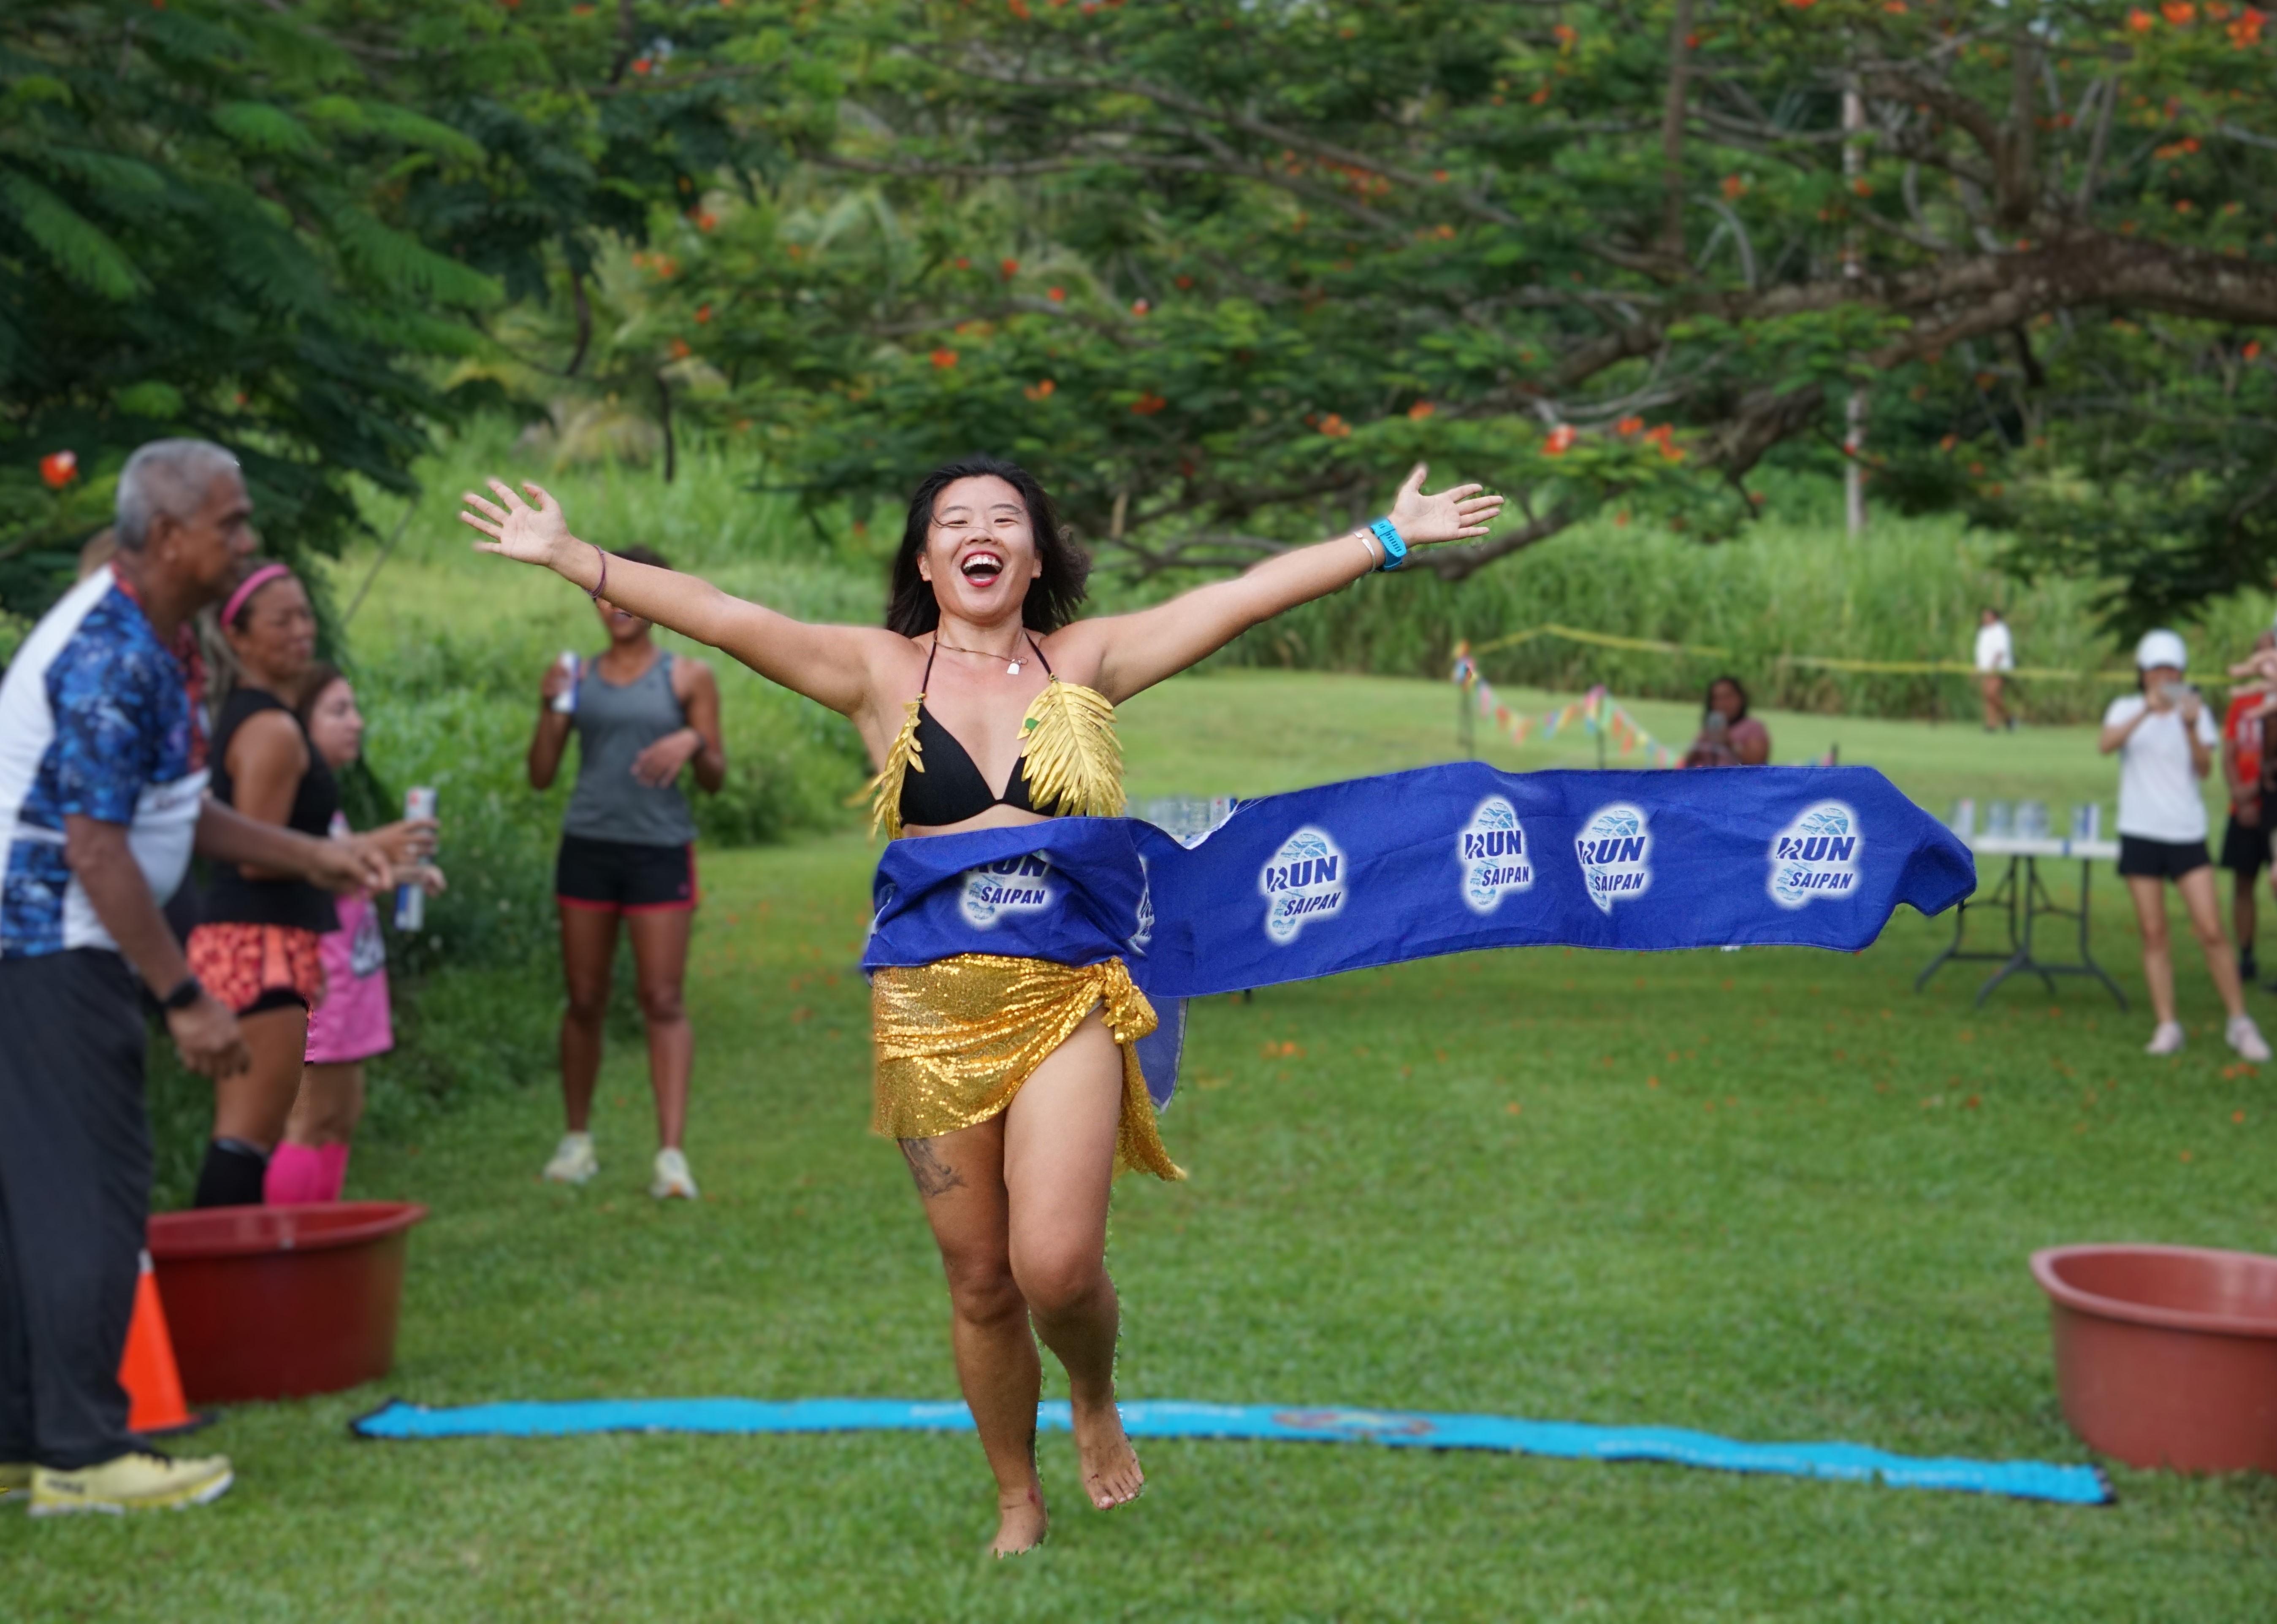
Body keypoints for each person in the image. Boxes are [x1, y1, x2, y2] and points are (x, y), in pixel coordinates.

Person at [460, 453, 1501, 1555]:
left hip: (1069, 994)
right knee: (979, 1279)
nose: (980, 529)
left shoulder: (1086, 660)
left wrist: (1385, 539)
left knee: (1053, 1266)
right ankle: (1017, 1493)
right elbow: (723, 616)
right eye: (955, 519)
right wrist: (578, 560)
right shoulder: (876, 671)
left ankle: (1091, 1393)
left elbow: (1234, 599)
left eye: (1005, 517)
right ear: (927, 560)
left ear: (1034, 555)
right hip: (927, 1007)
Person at [0, 440, 395, 1516]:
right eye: (231, 522)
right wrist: (184, 995)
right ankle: (82, 1457)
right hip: (44, 947)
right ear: (168, 534)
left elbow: (175, 810)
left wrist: (324, 856)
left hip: (56, 944)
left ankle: (26, 1438)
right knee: (91, 1191)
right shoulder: (110, 649)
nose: (248, 538)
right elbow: (95, 848)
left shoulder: (160, 641)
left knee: (36, 1195)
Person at [183, 565, 427, 1207]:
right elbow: (258, 855)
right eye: (280, 621)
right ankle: (217, 1289)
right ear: (237, 637)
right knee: (249, 1139)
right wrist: (361, 849)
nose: (301, 632)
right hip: (256, 942)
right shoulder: (269, 729)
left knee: (273, 1132)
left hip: (273, 938)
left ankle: (269, 1274)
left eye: (306, 617)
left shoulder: (260, 719)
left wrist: (370, 857)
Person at [527, 545, 725, 1200]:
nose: (614, 606)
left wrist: (693, 741)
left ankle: (671, 1156)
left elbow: (716, 778)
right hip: (587, 848)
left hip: (659, 853)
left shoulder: (687, 677)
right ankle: (576, 1141)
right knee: (584, 1000)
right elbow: (541, 774)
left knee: (662, 1000)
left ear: (656, 598)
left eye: (629, 593)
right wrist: (548, 707)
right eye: (603, 594)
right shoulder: (574, 675)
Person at [265, 665, 445, 1206]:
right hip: (317, 984)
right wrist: (379, 845)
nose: (356, 723)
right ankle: (284, 1249)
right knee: (307, 1119)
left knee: (342, 1116)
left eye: (355, 710)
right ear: (299, 724)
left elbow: (342, 871)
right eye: (338, 711)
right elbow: (298, 864)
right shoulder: (289, 790)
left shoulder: (328, 800)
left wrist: (404, 870)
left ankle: (319, 1237)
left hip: (354, 983)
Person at [2101, 629, 2271, 1060]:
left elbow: (2204, 767)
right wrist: (2147, 710)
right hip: (2140, 830)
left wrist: (2191, 726)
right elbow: (2107, 745)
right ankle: (2167, 1023)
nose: (2164, 677)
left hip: (2186, 832)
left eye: (2172, 670)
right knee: (2154, 933)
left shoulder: (2195, 712)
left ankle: (2239, 1021)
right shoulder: (2125, 707)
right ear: (2142, 673)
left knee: (2212, 931)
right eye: (2157, 670)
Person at [2218, 631, 2277, 986]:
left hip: (2271, 802)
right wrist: (2241, 795)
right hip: (2244, 806)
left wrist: (2258, 790)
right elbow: (2228, 755)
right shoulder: (2242, 703)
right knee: (2243, 882)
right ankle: (2247, 956)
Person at [1681, 675, 1770, 767]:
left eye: (1728, 697)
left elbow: (1757, 763)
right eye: (1717, 698)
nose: (1722, 703)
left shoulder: (1754, 727)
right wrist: (1701, 744)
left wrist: (1729, 744)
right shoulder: (1710, 729)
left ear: (1740, 698)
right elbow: (1687, 764)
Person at [1974, 606, 2015, 732]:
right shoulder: (1984, 632)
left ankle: (2009, 718)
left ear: (1994, 617)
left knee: (1992, 693)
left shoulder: (2001, 630)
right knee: (1988, 695)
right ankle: (1991, 725)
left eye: (1987, 616)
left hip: (1999, 668)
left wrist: (1993, 666)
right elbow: (1981, 652)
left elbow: (2001, 651)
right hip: (1986, 669)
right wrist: (1977, 667)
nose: (1984, 619)